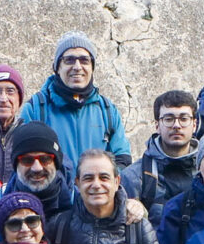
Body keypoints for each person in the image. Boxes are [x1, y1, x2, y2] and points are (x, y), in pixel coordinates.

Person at [16, 32, 132, 173]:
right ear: (57, 67)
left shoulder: (107, 111)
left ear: (92, 68)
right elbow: (25, 162)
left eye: (84, 60)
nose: (77, 67)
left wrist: (100, 183)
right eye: (69, 60)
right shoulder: (35, 109)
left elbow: (122, 160)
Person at [0, 120, 75, 233]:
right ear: (15, 165)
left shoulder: (79, 203)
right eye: (27, 160)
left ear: (56, 163)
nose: (37, 168)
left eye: (45, 159)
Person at [135, 89, 201, 209]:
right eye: (169, 119)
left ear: (194, 125)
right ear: (157, 126)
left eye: (184, 119)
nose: (176, 125)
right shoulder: (136, 177)